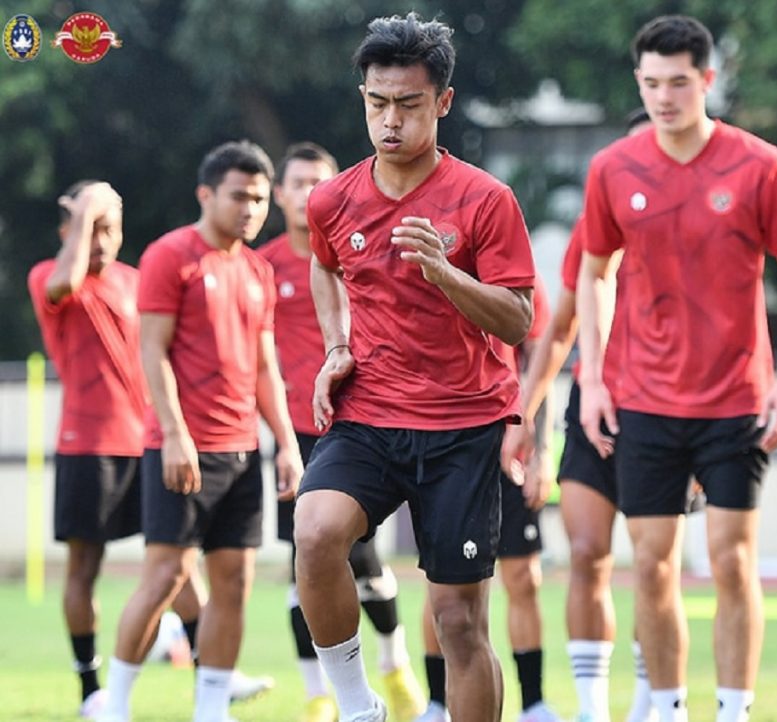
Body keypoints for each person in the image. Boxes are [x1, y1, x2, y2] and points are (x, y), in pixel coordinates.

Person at [576, 15, 777, 722]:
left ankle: (734, 711)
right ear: (638, 82)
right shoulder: (612, 168)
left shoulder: (759, 165)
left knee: (731, 560)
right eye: (652, 83)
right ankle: (670, 709)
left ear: (708, 80)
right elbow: (593, 273)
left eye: (679, 83)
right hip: (644, 400)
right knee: (652, 564)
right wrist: (591, 377)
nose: (664, 97)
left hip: (736, 400)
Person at [294, 12, 535, 722]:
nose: (390, 120)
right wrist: (337, 345)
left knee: (457, 623)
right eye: (377, 103)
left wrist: (446, 273)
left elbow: (517, 319)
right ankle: (357, 705)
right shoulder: (333, 199)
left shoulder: (485, 199)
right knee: (315, 532)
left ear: (443, 102)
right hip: (369, 413)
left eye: (408, 104)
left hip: (462, 425)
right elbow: (324, 267)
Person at [26, 181, 262, 719]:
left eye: (109, 229)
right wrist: (86, 211)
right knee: (84, 566)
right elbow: (65, 279)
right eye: (89, 229)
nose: (101, 241)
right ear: (68, 231)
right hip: (88, 445)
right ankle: (91, 690)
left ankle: (213, 675)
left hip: (151, 442)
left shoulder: (136, 281)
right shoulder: (50, 275)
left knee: (179, 566)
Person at [97, 140, 303, 722]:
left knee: (234, 583)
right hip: (182, 449)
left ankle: (211, 709)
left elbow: (265, 367)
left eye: (259, 198)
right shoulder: (171, 256)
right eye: (239, 196)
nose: (251, 209)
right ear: (206, 195)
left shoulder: (258, 269)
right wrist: (174, 433)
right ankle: (114, 705)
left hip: (243, 452)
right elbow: (152, 351)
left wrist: (286, 443)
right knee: (164, 576)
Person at [502, 108, 681, 722]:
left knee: (655, 569)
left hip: (669, 411)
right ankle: (591, 708)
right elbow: (558, 330)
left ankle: (651, 703)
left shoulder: (692, 226)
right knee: (585, 553)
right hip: (593, 403)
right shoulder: (595, 226)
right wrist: (524, 415)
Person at [260, 141, 426, 722]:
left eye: (320, 182)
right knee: (302, 558)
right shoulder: (263, 266)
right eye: (298, 182)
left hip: (361, 423)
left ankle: (394, 662)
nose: (310, 193)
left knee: (364, 556)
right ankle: (318, 694)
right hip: (297, 429)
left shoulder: (362, 250)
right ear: (280, 194)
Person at [416, 281, 562, 722]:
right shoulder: (428, 268)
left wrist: (543, 451)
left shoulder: (519, 277)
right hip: (446, 445)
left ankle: (533, 704)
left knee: (524, 578)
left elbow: (539, 362)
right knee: (442, 585)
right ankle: (437, 704)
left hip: (507, 443)